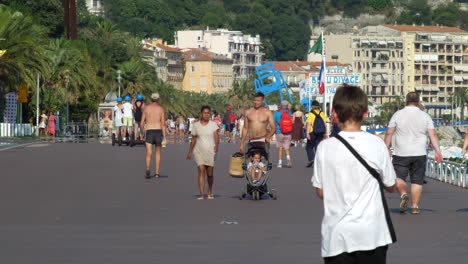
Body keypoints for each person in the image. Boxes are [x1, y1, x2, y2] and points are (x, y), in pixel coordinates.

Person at [312, 84, 397, 264]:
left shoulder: (324, 148)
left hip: (337, 235)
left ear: (334, 114)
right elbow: (390, 185)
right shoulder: (377, 144)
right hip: (372, 233)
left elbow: (320, 192)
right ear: (365, 113)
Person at [384, 92, 442, 214]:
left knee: (398, 178)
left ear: (406, 101)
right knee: (417, 180)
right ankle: (415, 206)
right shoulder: (425, 116)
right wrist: (438, 151)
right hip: (419, 152)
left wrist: (386, 148)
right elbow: (432, 134)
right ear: (418, 102)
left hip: (401, 152)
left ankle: (404, 194)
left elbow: (389, 132)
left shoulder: (397, 114)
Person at [186, 106, 220, 200]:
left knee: (210, 174)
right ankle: (201, 194)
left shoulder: (213, 124)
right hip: (198, 151)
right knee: (201, 170)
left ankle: (209, 190)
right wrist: (189, 152)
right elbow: (193, 139)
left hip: (210, 151)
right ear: (201, 114)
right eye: (205, 113)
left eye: (208, 113)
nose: (206, 115)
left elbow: (217, 137)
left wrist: (217, 147)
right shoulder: (196, 125)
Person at [141, 93, 166, 179]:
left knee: (149, 152)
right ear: (158, 99)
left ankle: (148, 168)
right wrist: (165, 137)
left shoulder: (146, 108)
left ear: (151, 99)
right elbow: (163, 124)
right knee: (158, 153)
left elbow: (141, 123)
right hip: (158, 131)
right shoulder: (161, 109)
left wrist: (141, 133)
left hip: (149, 131)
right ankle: (157, 173)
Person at [305, 100, 328, 167]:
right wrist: (325, 132)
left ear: (312, 106)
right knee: (317, 146)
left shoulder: (311, 114)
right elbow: (325, 124)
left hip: (312, 132)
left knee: (309, 147)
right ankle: (319, 161)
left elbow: (309, 123)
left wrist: (307, 133)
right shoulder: (322, 113)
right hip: (320, 132)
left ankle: (311, 159)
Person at [274, 100, 293, 168]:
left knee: (280, 147)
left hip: (279, 132)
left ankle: (280, 163)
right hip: (288, 132)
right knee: (287, 147)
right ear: (287, 105)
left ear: (281, 105)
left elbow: (273, 122)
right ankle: (288, 159)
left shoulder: (276, 113)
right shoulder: (289, 112)